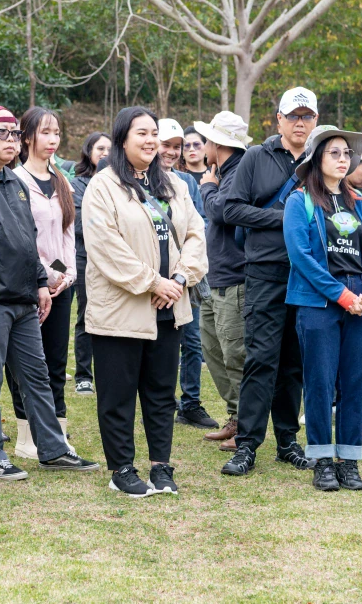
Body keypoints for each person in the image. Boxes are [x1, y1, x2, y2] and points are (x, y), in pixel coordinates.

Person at [0, 104, 98, 481]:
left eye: (14, 133)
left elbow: (28, 240)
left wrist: (41, 283)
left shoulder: (14, 183)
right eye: (3, 133)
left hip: (23, 298)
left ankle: (53, 448)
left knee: (37, 376)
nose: (11, 140)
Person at [81, 105, 207, 497]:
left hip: (169, 307)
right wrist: (153, 283)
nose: (151, 140)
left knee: (160, 393)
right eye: (142, 133)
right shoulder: (103, 187)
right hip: (122, 309)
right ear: (122, 138)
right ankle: (121, 469)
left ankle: (160, 466)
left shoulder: (174, 185)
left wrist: (180, 279)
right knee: (117, 395)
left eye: (154, 133)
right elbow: (106, 247)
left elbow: (195, 235)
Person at [221, 86, 318, 476]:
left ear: (315, 121)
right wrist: (284, 218)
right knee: (261, 358)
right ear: (279, 119)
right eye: (293, 116)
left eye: (307, 116)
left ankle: (287, 441)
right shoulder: (256, 157)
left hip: (307, 274)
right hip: (265, 272)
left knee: (294, 362)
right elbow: (230, 209)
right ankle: (247, 444)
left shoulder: (321, 159)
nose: (300, 123)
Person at [284, 127, 362, 491]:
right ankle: (323, 461)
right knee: (320, 383)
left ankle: (349, 461)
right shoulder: (299, 201)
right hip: (319, 302)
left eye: (347, 154)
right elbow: (301, 259)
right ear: (317, 159)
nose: (343, 160)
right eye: (334, 153)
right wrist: (343, 297)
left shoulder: (361, 203)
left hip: (361, 303)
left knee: (356, 382)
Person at [8, 107, 78, 459]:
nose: (53, 140)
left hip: (60, 287)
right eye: (45, 132)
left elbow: (66, 234)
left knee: (56, 364)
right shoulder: (14, 181)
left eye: (57, 133)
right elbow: (22, 239)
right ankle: (26, 436)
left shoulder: (62, 180)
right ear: (26, 137)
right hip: (26, 286)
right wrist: (47, 273)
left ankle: (58, 434)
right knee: (26, 365)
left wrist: (65, 274)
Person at [196, 111, 253, 446]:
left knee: (235, 354)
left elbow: (221, 211)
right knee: (213, 349)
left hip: (235, 279)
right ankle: (235, 416)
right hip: (214, 277)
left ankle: (246, 425)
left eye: (206, 140)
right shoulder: (223, 173)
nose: (203, 146)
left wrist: (207, 188)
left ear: (216, 144)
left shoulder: (237, 172)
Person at [157, 118, 213, 429]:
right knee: (158, 343)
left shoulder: (186, 182)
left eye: (176, 147)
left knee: (192, 341)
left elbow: (199, 224)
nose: (172, 151)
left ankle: (190, 403)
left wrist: (184, 270)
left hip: (185, 276)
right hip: (153, 278)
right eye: (166, 145)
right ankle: (162, 400)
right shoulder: (135, 181)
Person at [71, 132, 110, 396]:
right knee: (86, 314)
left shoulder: (119, 182)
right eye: (100, 148)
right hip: (84, 257)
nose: (106, 153)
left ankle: (107, 372)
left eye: (110, 149)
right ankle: (83, 375)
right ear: (89, 151)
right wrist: (110, 227)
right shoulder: (78, 184)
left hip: (113, 259)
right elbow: (79, 223)